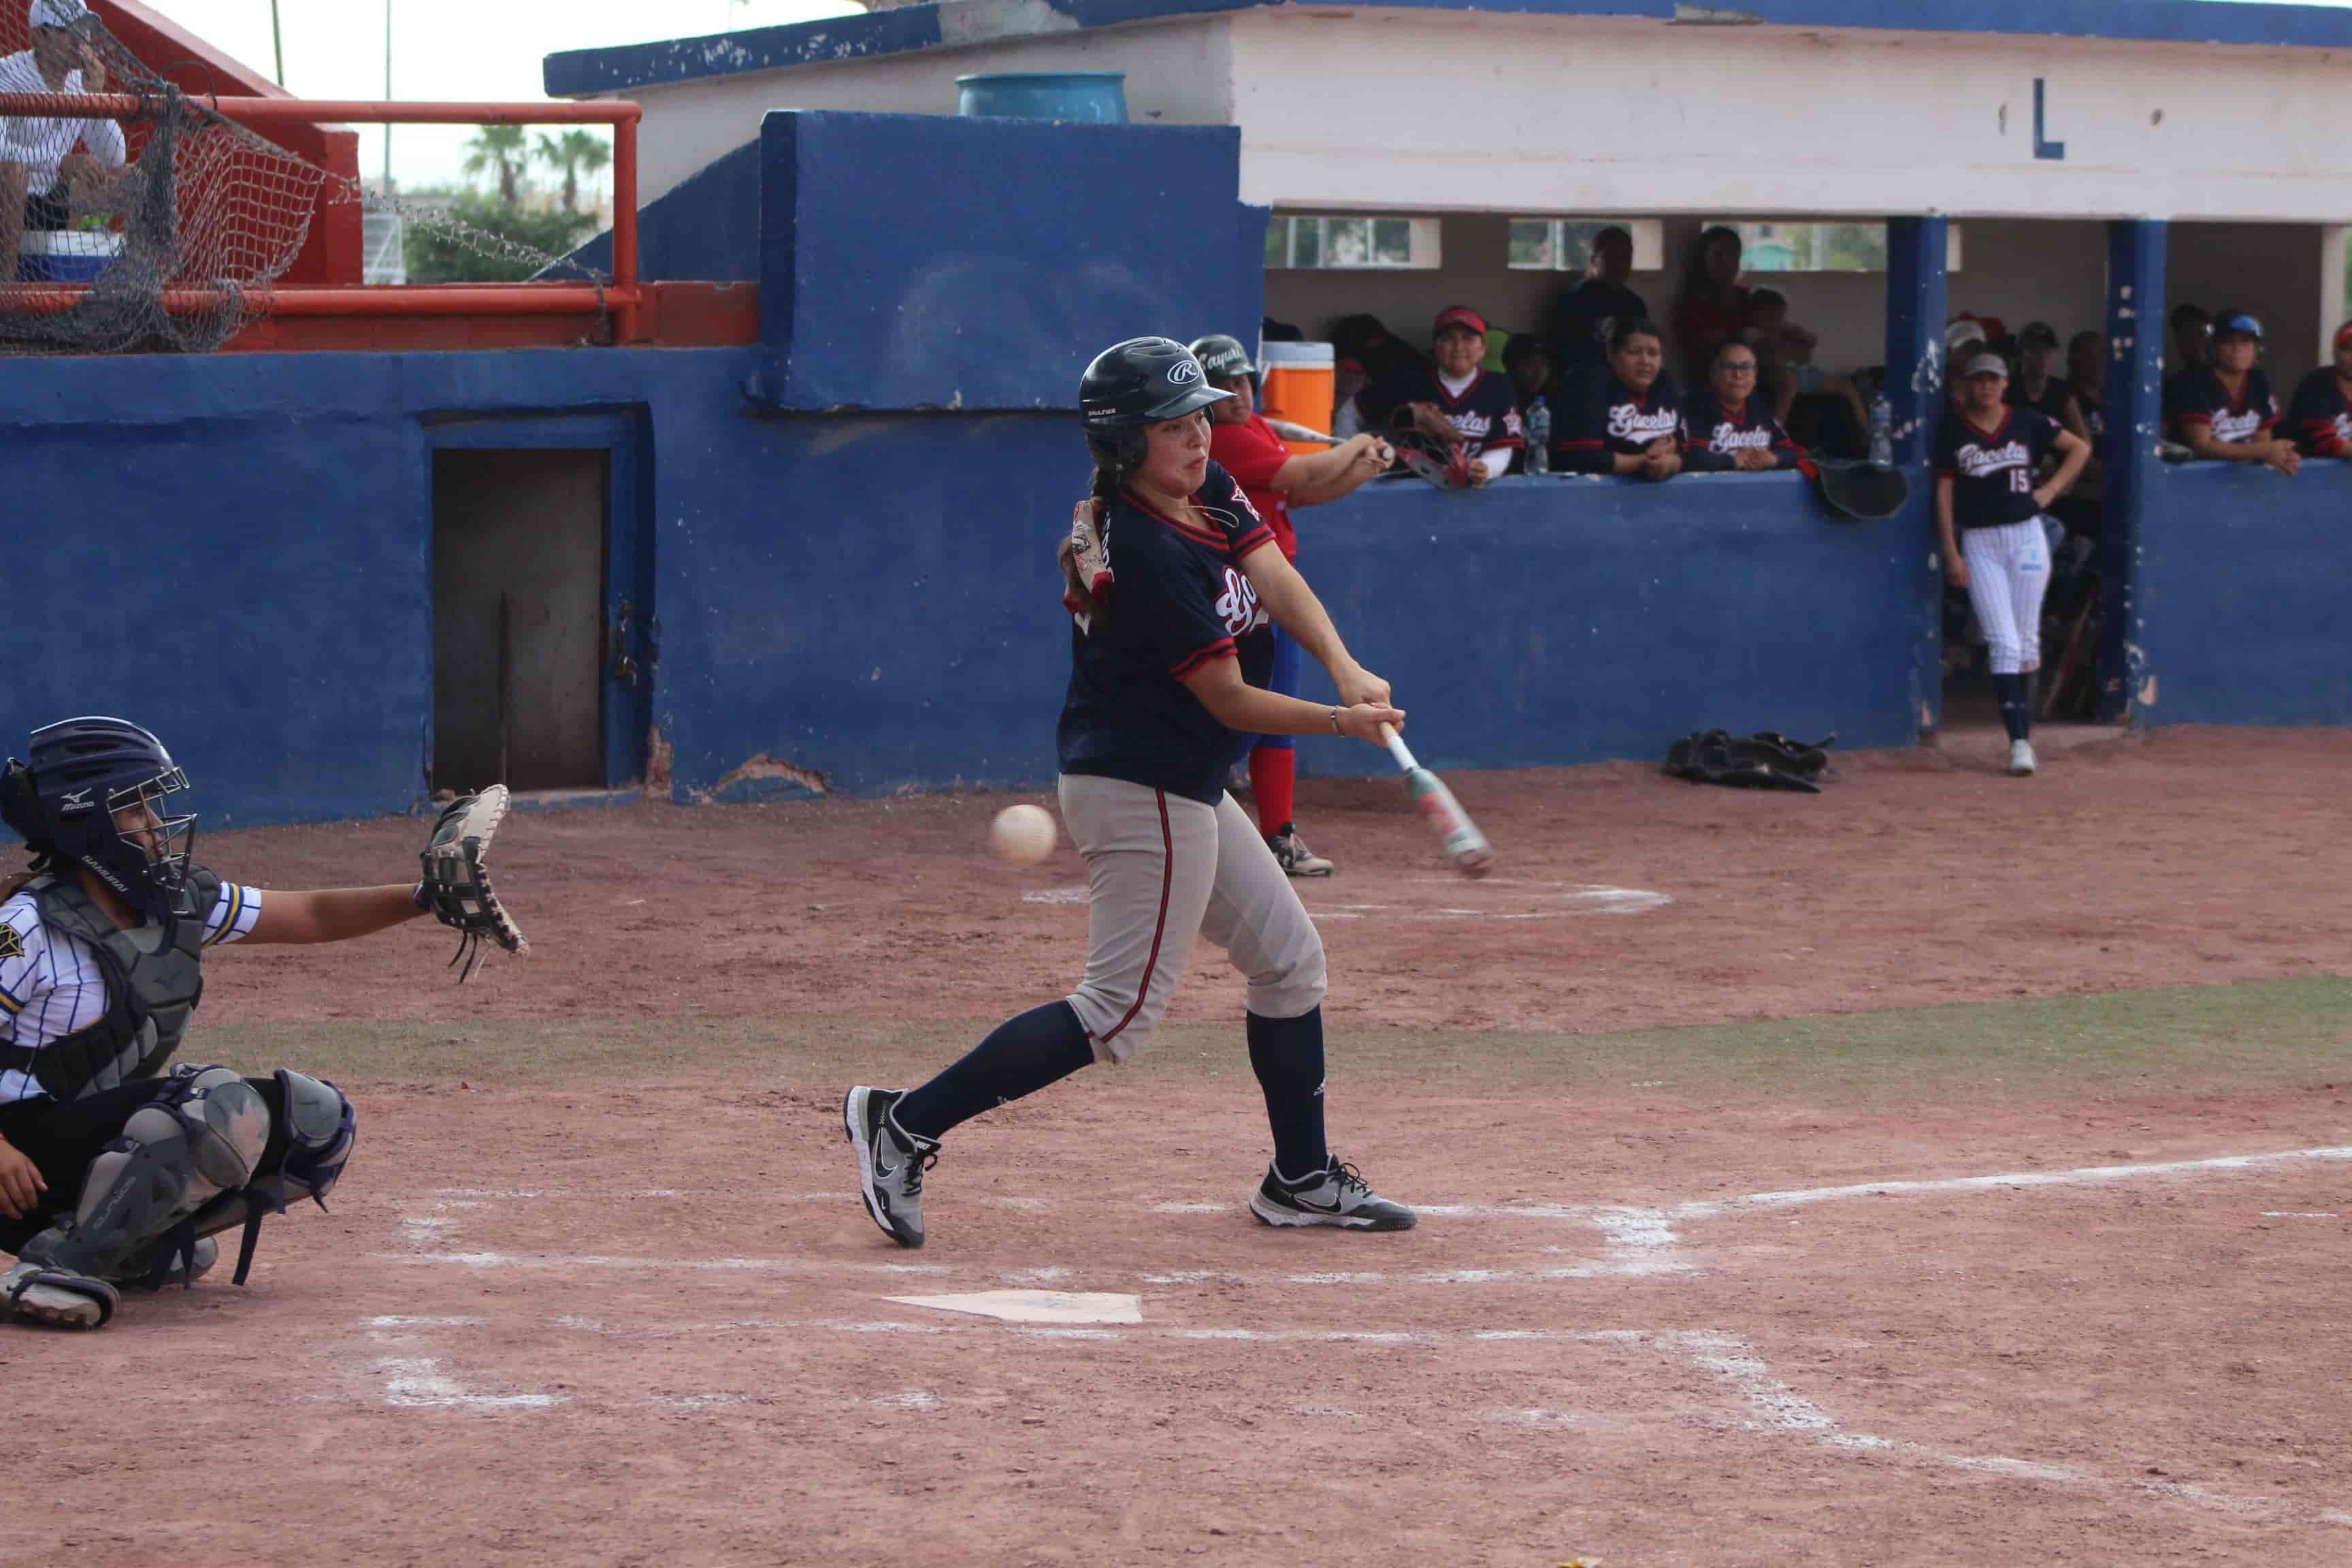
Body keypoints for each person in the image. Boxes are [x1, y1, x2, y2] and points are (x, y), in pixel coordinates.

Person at [842, 337, 1416, 1250]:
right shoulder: (1147, 549)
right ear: (1122, 444)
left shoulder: (1202, 488)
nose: (1199, 439)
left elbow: (1272, 571)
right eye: (1174, 428)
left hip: (1177, 780)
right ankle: (904, 1122)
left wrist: (1346, 669)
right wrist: (1341, 723)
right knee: (1115, 1013)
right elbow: (1226, 697)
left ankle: (1299, 1178)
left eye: (1201, 419)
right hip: (1140, 786)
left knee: (1289, 960)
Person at [0, 717, 506, 1329]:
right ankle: (53, 1268)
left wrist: (424, 898)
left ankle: (118, 1248)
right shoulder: (26, 926)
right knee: (216, 1101)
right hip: (15, 1162)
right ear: (86, 822)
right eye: (135, 811)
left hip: (77, 1146)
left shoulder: (173, 902)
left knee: (314, 1122)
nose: (158, 826)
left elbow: (310, 914)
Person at [1190, 332, 1393, 878]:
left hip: (1274, 586)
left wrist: (1361, 468)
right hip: (1237, 590)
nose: (1236, 394)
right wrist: (1354, 444)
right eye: (1221, 386)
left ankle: (1278, 835)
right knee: (1242, 712)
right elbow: (1300, 474)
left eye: (1241, 381)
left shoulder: (1252, 428)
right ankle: (1210, 821)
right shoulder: (1223, 441)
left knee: (1278, 710)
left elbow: (1299, 496)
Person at [1936, 354, 2093, 777]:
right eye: (1978, 380)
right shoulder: (1953, 429)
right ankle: (2019, 742)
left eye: (1993, 379)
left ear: (2005, 384)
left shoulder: (2027, 420)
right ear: (1966, 385)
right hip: (1981, 540)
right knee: (2002, 639)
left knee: (2025, 640)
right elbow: (1945, 493)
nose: (1985, 387)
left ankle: (2024, 729)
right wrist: (1951, 550)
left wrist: (2052, 490)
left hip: (2026, 535)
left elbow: (2080, 447)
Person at [0, 0, 127, 287]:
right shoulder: (6, 74)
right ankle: (5, 291)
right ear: (38, 36)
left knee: (134, 178)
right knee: (15, 173)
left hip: (51, 200)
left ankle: (136, 288)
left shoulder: (79, 84)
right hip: (8, 195)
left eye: (83, 29)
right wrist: (59, 162)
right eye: (67, 30)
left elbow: (115, 157)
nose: (80, 39)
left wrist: (97, 99)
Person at [1392, 306, 1521, 486]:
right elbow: (1355, 412)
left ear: (1483, 348)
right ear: (1436, 346)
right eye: (1448, 339)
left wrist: (1486, 468)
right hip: (1418, 489)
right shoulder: (1413, 383)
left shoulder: (1499, 386)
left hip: (1475, 492)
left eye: (1469, 339)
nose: (1459, 347)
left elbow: (1502, 446)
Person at [1554, 316, 1683, 480]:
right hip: (1589, 497)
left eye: (1653, 353)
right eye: (1634, 352)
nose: (1645, 361)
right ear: (1611, 354)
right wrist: (1644, 461)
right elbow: (1583, 458)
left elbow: (1685, 451)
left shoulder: (1664, 383)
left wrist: (1672, 463)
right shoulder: (1588, 383)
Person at [2173, 310, 2300, 476]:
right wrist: (2265, 451)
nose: (2237, 348)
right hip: (2197, 479)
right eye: (2227, 342)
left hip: (2241, 480)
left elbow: (2263, 439)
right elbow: (2201, 446)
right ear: (2213, 347)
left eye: (2246, 341)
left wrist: (2282, 456)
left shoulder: (2258, 381)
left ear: (2257, 349)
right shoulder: (2196, 381)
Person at [1682, 338, 1803, 472]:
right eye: (1729, 367)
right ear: (1714, 373)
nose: (1738, 375)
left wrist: (1774, 458)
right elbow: (1692, 458)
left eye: (1746, 367)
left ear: (1755, 376)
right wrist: (1734, 460)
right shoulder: (1696, 407)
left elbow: (1791, 451)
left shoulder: (1759, 408)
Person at [1548, 225, 1648, 378]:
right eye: (1612, 258)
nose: (1619, 264)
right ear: (1594, 260)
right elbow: (1563, 353)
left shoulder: (1635, 306)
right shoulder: (1574, 300)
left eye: (1626, 258)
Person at [1673, 225, 1750, 389]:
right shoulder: (1692, 303)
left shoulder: (1746, 298)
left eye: (1733, 254)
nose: (1727, 261)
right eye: (1719, 254)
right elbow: (1700, 351)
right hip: (1709, 388)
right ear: (1704, 259)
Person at [2006, 321, 2089, 442]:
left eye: (2047, 350)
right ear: (2020, 355)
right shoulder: (2006, 389)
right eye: (2034, 350)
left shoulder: (2061, 391)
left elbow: (2084, 443)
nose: (2042, 355)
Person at [2285, 320, 2352, 460]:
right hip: (2307, 474)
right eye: (2348, 349)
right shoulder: (2317, 385)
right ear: (2336, 352)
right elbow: (2324, 443)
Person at [1501, 332, 1554, 474]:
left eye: (1544, 364)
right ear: (1510, 365)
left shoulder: (1554, 400)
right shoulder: (1498, 398)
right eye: (1529, 364)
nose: (1539, 371)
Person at [2160, 303, 2212, 441]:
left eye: (2200, 335)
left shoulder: (2226, 379)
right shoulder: (2174, 385)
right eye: (2187, 336)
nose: (2195, 342)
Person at [2065, 329, 2108, 447]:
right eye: (2089, 355)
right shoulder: (2063, 399)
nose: (2097, 362)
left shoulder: (2116, 398)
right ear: (2073, 361)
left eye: (2102, 354)